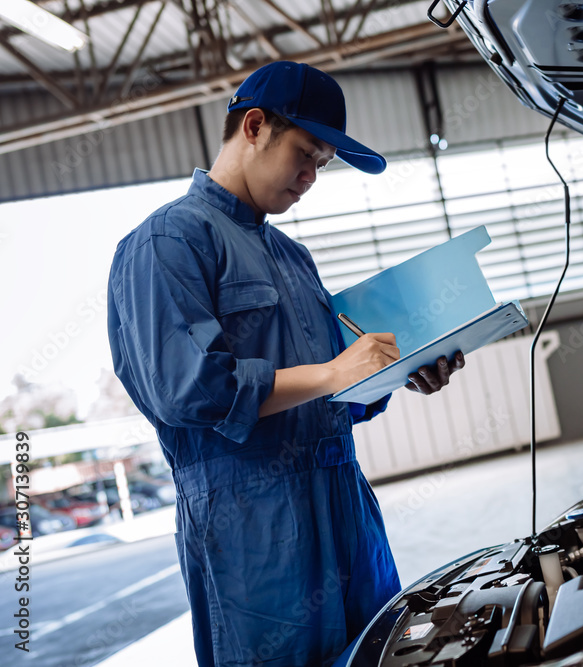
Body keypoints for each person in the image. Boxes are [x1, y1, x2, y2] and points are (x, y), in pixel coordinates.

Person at [107, 61, 464, 666]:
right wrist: (332, 373)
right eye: (304, 153)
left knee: (380, 653)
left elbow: (331, 389)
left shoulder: (293, 257)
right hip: (253, 531)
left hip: (345, 506)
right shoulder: (167, 242)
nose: (309, 178)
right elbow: (186, 388)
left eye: (321, 164)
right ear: (253, 127)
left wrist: (398, 375)